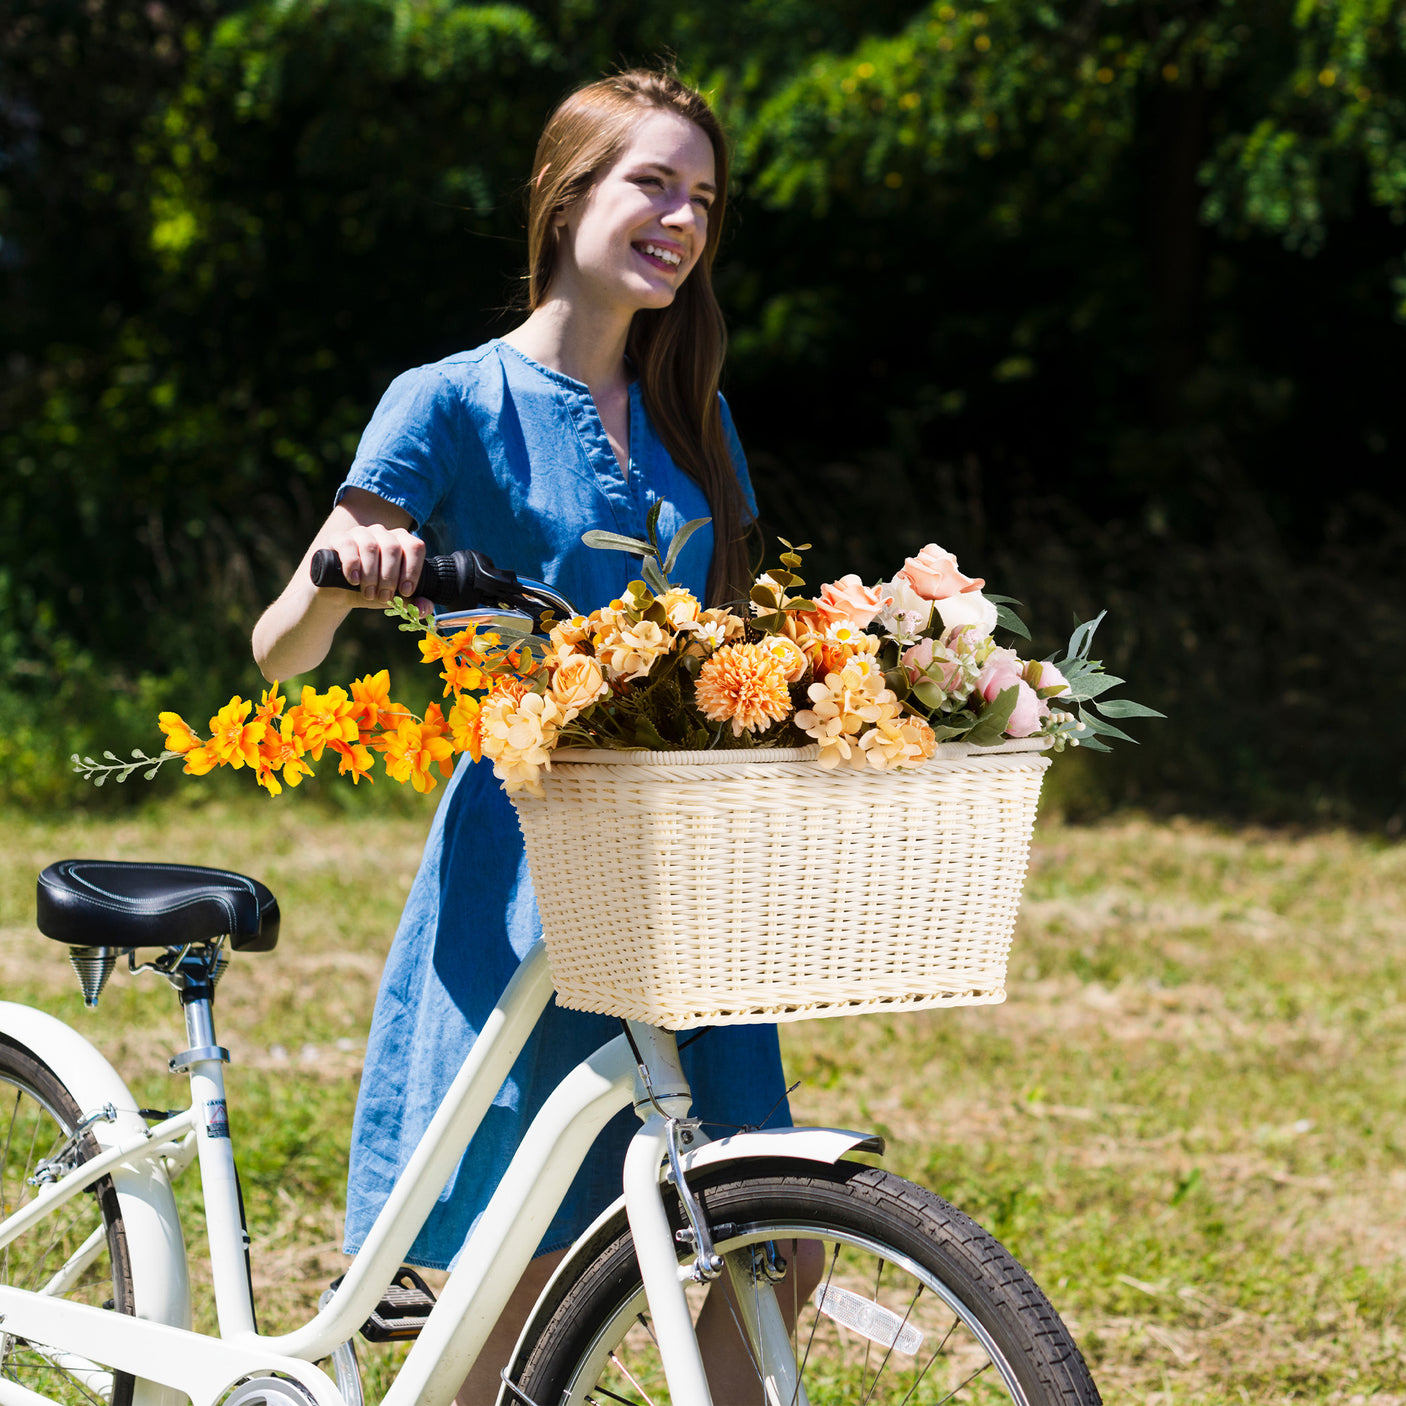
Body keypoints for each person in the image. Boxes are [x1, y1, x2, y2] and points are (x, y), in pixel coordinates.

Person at [252, 69, 801, 1402]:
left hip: (681, 852)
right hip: (529, 854)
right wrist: (342, 569)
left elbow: (730, 636)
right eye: (652, 183)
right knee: (525, 1248)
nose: (682, 217)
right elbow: (278, 649)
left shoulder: (696, 410)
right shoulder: (446, 402)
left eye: (703, 198)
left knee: (766, 1227)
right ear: (568, 199)